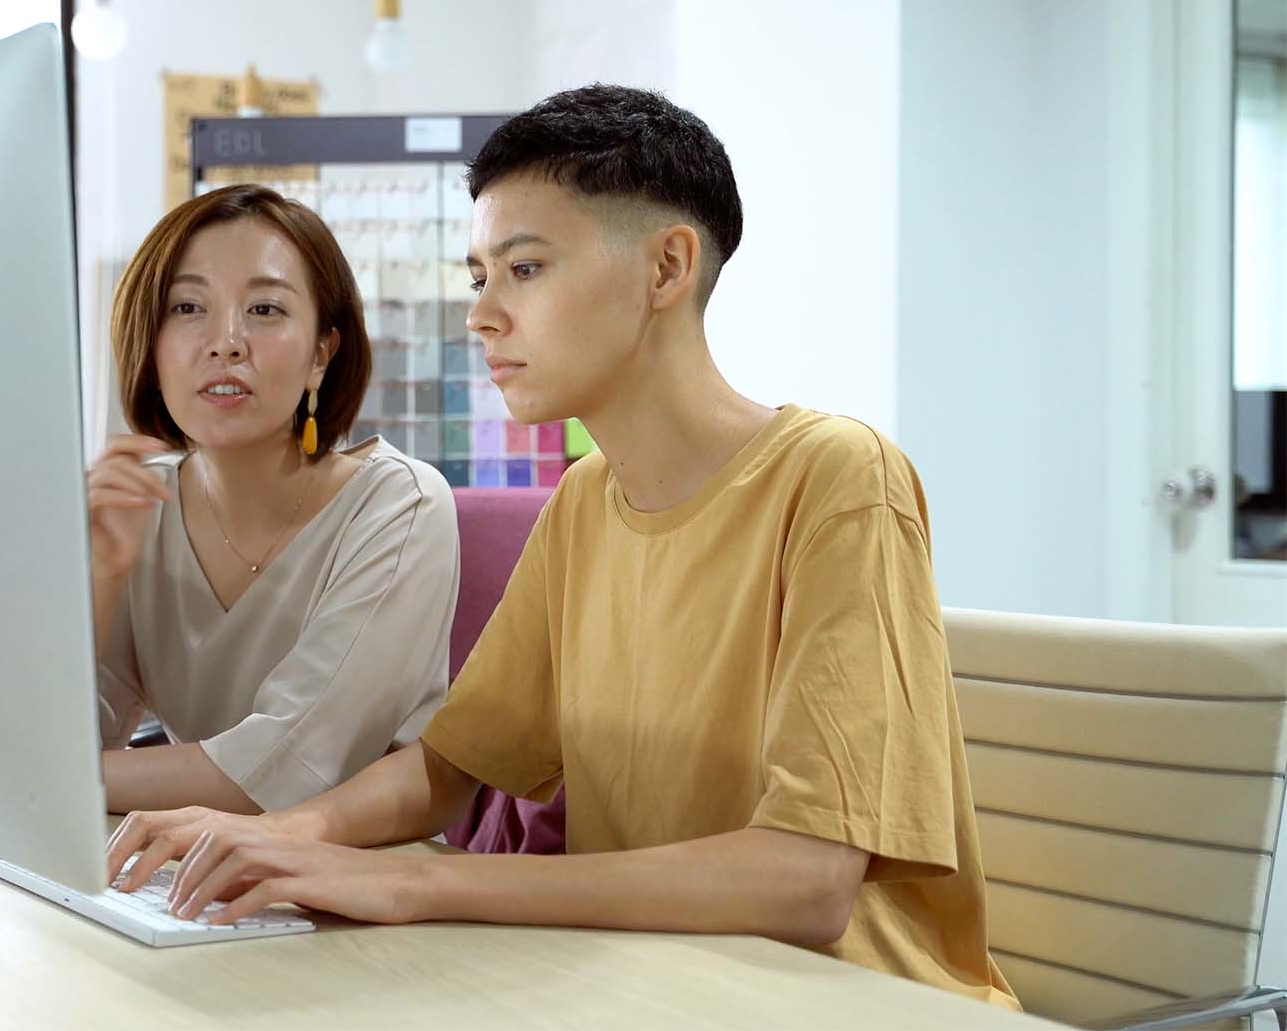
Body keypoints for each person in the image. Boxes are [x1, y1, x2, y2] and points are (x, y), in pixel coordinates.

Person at [103, 88, 1017, 1009]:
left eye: (525, 269)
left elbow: (807, 881)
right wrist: (285, 837)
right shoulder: (583, 502)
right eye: (479, 278)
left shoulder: (839, 477)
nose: (483, 315)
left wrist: (418, 881)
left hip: (855, 1003)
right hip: (655, 994)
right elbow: (447, 769)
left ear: (667, 267)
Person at [89, 183, 459, 816]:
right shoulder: (135, 505)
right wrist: (96, 578)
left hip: (361, 871)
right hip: (180, 862)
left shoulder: (402, 505)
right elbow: (47, 746)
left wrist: (65, 783)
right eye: (187, 307)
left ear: (321, 354)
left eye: (264, 309)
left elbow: (288, 767)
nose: (226, 342)